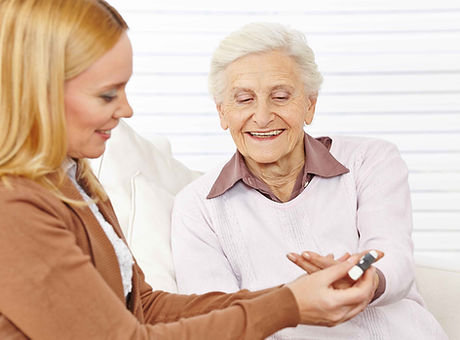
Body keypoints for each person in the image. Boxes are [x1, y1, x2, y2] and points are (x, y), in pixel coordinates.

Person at [0, 1, 380, 339]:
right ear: (39, 92)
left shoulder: (74, 177)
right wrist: (289, 307)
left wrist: (290, 296)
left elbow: (142, 307)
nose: (127, 109)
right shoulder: (13, 208)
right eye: (107, 94)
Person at [171, 22, 447, 339]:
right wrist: (294, 303)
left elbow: (392, 256)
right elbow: (220, 321)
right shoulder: (197, 207)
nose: (262, 116)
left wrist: (367, 279)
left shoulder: (370, 160)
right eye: (244, 99)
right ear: (222, 112)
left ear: (309, 105)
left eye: (280, 96)